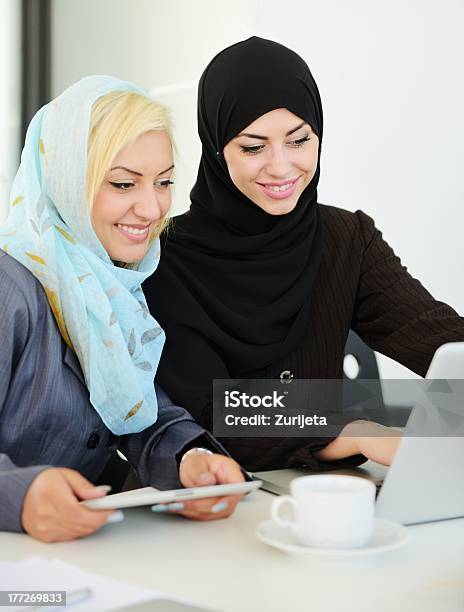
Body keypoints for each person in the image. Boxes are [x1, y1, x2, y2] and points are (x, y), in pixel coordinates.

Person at [143, 37, 464, 472]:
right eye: (253, 147)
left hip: (325, 495)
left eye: (299, 140)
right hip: (213, 499)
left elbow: (432, 336)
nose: (281, 167)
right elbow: (211, 409)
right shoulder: (162, 260)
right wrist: (354, 429)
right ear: (216, 148)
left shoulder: (347, 238)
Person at [0, 76, 244, 542]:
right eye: (123, 183)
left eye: (165, 182)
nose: (152, 208)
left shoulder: (112, 281)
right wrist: (21, 493)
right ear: (68, 180)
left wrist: (191, 459)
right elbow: (232, 405)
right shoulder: (13, 287)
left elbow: (136, 410)